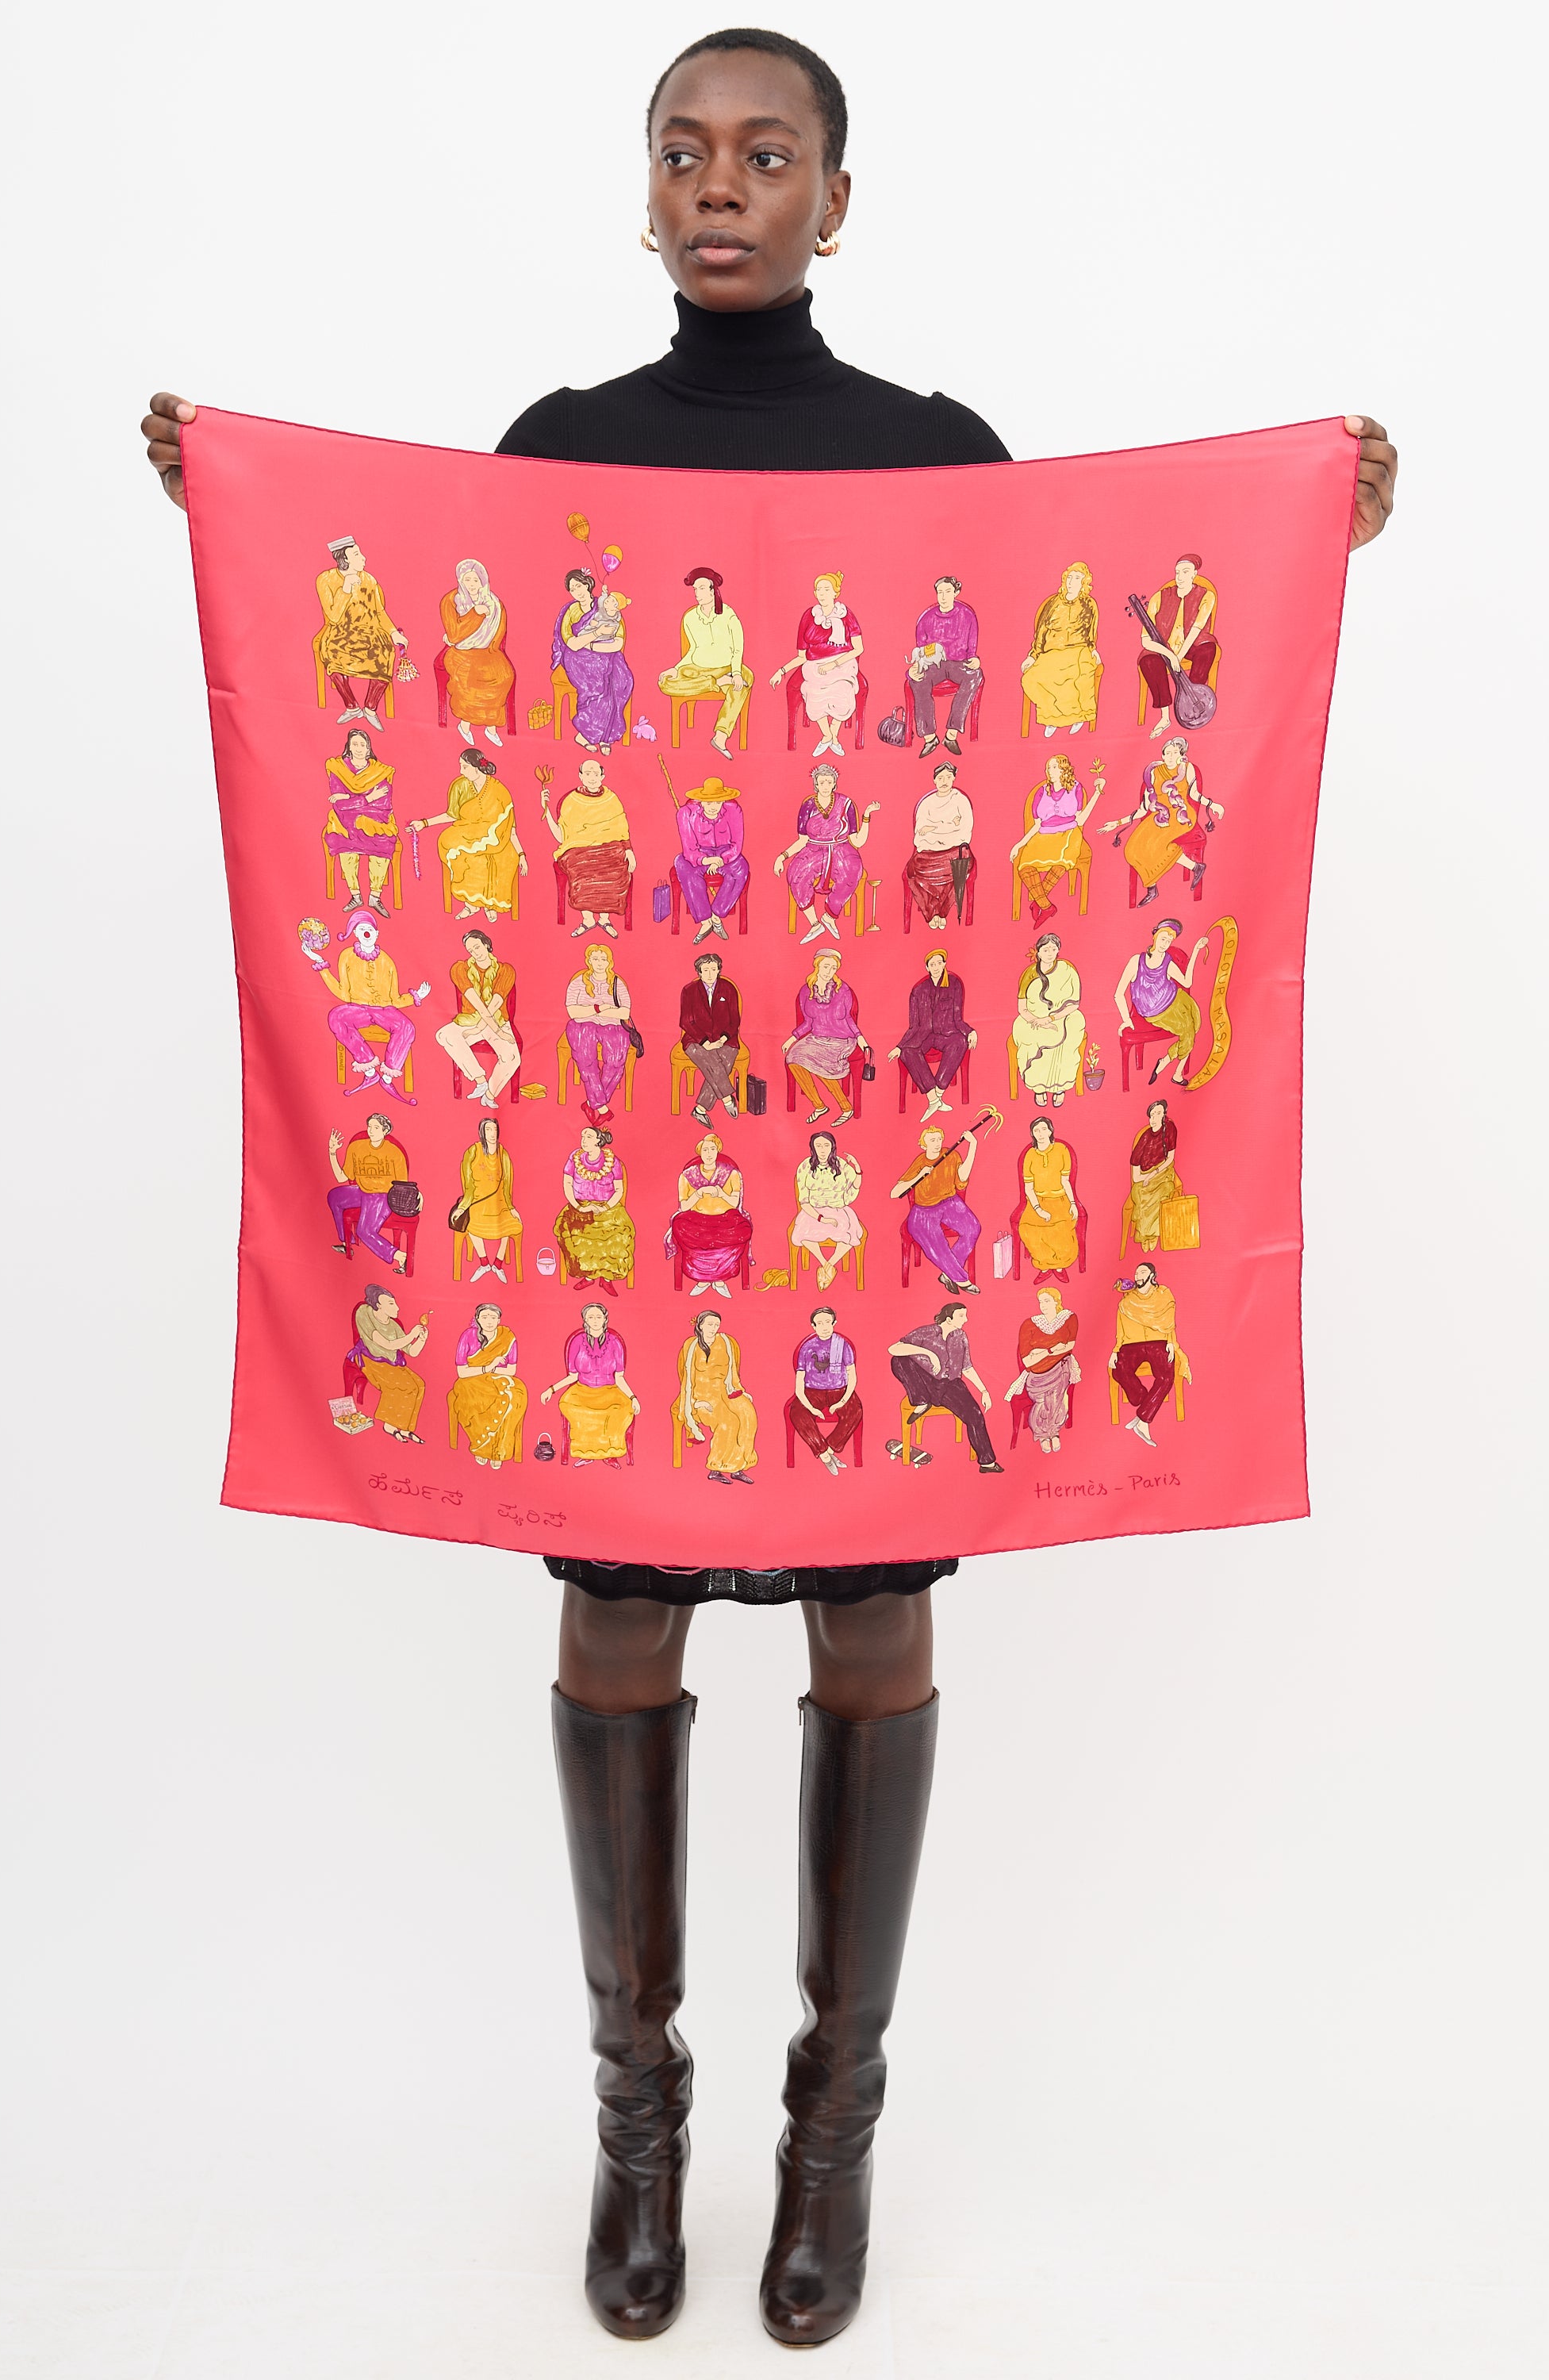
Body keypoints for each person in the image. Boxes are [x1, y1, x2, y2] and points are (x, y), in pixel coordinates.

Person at [142, 24, 1396, 2355]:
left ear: (835, 196)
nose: (720, 184)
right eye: (682, 151)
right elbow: (448, 712)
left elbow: (1058, 734)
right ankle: (638, 2109)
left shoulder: (936, 459)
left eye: (765, 152)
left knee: (873, 1617)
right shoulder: (558, 452)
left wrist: (1308, 522)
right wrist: (233, 499)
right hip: (616, 1130)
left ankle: (836, 2118)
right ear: (643, 194)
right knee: (613, 1618)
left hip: (886, 1124)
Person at [306, 908, 428, 1104]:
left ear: (377, 934)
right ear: (355, 932)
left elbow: (394, 999)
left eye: (370, 929)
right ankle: (369, 1070)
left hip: (384, 1010)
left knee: (407, 1027)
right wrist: (321, 964)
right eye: (362, 929)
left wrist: (415, 996)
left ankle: (387, 1077)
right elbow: (343, 993)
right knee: (336, 1016)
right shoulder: (346, 956)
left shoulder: (386, 961)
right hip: (357, 1009)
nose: (366, 932)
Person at [1099, 736, 1221, 903]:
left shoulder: (1188, 768)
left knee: (1156, 845)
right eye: (1167, 753)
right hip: (1160, 817)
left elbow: (1194, 795)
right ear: (1162, 756)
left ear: (1181, 755)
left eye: (1175, 753)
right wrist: (1117, 823)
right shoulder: (1154, 773)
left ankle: (1152, 888)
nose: (1170, 757)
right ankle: (1190, 869)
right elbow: (1144, 809)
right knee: (1131, 849)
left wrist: (1212, 805)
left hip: (1182, 816)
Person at [409, 750, 527, 922]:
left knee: (503, 858)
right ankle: (471, 905)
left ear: (477, 767)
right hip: (465, 834)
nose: (461, 771)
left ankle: (489, 904)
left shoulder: (500, 791)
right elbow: (451, 815)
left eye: (464, 767)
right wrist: (425, 823)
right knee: (461, 852)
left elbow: (510, 828)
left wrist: (521, 854)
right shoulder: (459, 786)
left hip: (497, 839)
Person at [886, 1300, 1003, 1472]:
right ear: (949, 1319)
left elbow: (967, 1367)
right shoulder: (926, 1332)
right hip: (926, 1383)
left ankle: (987, 1463)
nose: (966, 1319)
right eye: (961, 1316)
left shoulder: (961, 1336)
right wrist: (929, 1353)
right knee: (899, 1360)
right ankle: (921, 1401)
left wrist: (984, 1391)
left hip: (951, 1386)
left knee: (976, 1416)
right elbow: (894, 1349)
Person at [774, 761, 877, 940]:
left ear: (834, 783)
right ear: (816, 784)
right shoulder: (808, 806)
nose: (825, 786)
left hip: (842, 850)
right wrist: (782, 857)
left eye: (829, 782)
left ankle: (830, 917)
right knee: (797, 874)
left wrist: (867, 816)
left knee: (852, 871)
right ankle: (815, 924)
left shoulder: (846, 804)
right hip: (813, 850)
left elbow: (857, 841)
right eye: (822, 782)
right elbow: (802, 840)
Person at [312, 536, 407, 729]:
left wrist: (392, 632)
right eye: (357, 554)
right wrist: (345, 589)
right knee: (330, 652)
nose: (363, 558)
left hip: (370, 632)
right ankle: (352, 707)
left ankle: (371, 708)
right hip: (339, 633)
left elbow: (380, 612)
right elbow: (333, 617)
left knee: (385, 652)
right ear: (345, 559)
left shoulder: (369, 580)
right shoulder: (325, 579)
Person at [769, 569, 864, 755]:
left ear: (836, 593)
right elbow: (802, 655)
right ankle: (828, 737)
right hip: (814, 666)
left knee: (843, 690)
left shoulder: (846, 614)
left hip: (842, 663)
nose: (822, 593)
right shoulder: (809, 616)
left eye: (827, 589)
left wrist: (833, 664)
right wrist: (781, 671)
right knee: (812, 691)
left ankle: (833, 734)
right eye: (819, 590)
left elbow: (858, 648)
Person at [658, 567, 749, 751]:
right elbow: (693, 650)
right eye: (695, 589)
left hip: (727, 668)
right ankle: (715, 683)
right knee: (665, 682)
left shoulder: (729, 615)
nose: (697, 594)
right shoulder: (690, 618)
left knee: (745, 681)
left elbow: (738, 649)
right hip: (697, 669)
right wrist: (676, 668)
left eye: (701, 588)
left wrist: (737, 673)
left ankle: (720, 736)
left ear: (713, 589)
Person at [544, 754, 634, 935]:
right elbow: (562, 837)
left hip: (609, 848)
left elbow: (621, 827)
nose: (592, 778)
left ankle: (605, 919)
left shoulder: (611, 799)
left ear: (602, 776)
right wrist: (545, 810)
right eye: (587, 774)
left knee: (616, 868)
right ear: (581, 776)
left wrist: (629, 851)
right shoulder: (571, 801)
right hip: (579, 850)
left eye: (596, 774)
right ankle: (587, 920)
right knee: (583, 869)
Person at [1114, 917, 1210, 1087]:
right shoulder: (1136, 961)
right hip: (1156, 1013)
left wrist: (1196, 950)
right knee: (1189, 1030)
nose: (1165, 944)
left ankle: (1167, 1063)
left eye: (1169, 941)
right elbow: (1118, 994)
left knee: (1194, 1025)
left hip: (1176, 1000)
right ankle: (1173, 1070)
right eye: (1163, 938)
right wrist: (1126, 1020)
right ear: (1155, 936)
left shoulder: (1168, 962)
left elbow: (1187, 982)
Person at [1010, 754, 1102, 926]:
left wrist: (1097, 793)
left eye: (1054, 767)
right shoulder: (1041, 792)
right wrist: (1019, 844)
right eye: (1048, 768)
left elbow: (1080, 820)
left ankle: (1038, 903)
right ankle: (1046, 906)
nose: (1050, 771)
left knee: (1061, 863)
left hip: (1069, 833)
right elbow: (1037, 825)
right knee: (1025, 867)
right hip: (1043, 835)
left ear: (1063, 769)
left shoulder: (1076, 788)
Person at [893, 1120, 984, 1293]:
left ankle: (947, 1274)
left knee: (973, 1228)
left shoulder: (951, 1155)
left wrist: (973, 1145)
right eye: (932, 1140)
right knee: (937, 1243)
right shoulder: (920, 1162)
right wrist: (920, 1175)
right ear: (923, 1144)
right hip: (924, 1210)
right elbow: (895, 1192)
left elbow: (962, 1178)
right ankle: (961, 1279)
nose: (937, 1143)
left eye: (939, 1139)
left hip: (950, 1202)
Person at [542, 1303, 639, 1464]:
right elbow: (572, 1376)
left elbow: (619, 1377)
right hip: (582, 1391)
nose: (595, 1320)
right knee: (570, 1405)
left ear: (605, 1319)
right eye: (591, 1317)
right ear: (585, 1320)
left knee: (623, 1409)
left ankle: (609, 1455)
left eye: (598, 1317)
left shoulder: (615, 1342)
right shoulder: (577, 1342)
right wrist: (551, 1390)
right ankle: (586, 1454)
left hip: (610, 1391)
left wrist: (633, 1397)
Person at [782, 946, 867, 1124]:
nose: (830, 972)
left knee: (822, 1064)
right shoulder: (806, 991)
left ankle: (846, 1108)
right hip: (817, 1038)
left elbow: (849, 1018)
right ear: (817, 966)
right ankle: (819, 1106)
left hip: (842, 1040)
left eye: (833, 968)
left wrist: (860, 1038)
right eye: (826, 967)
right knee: (792, 1058)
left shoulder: (843, 990)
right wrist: (792, 1038)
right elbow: (808, 1022)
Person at [1137, 552, 1217, 739]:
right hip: (1165, 647)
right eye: (1177, 572)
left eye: (1185, 572)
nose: (1180, 577)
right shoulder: (1159, 597)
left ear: (1194, 573)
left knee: (1208, 650)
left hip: (1191, 644)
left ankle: (1193, 702)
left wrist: (1179, 657)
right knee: (1148, 661)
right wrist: (1170, 655)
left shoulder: (1207, 596)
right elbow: (1145, 640)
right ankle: (1165, 717)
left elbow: (1197, 629)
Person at [435, 928, 519, 1109]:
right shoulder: (460, 969)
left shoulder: (506, 970)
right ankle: (480, 1080)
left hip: (497, 1021)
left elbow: (494, 1005)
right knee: (444, 1035)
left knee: (512, 1057)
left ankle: (489, 1094)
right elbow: (478, 1005)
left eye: (477, 947)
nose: (475, 952)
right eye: (470, 950)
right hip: (470, 1020)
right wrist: (479, 1028)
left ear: (486, 944)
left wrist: (491, 1030)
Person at [1110, 1260, 1191, 1445]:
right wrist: (1115, 1350)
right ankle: (1142, 1399)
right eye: (1137, 1273)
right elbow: (1120, 1327)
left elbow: (1169, 1320)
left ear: (1152, 1276)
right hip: (1132, 1343)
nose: (1138, 1276)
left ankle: (1143, 1421)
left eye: (1143, 1272)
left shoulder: (1164, 1294)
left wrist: (1170, 1342)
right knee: (1118, 1369)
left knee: (1166, 1376)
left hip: (1158, 1341)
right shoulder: (1127, 1300)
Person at [890, 948, 974, 1121]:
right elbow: (914, 1025)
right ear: (927, 968)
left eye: (939, 963)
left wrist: (970, 1031)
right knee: (907, 1052)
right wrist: (899, 1046)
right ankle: (934, 1099)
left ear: (944, 964)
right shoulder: (918, 990)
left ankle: (938, 1093)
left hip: (947, 1033)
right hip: (924, 1035)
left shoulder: (954, 983)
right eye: (932, 964)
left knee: (960, 1042)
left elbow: (958, 1018)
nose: (936, 967)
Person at [437, 559, 513, 747]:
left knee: (504, 675)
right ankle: (464, 726)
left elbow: (498, 633)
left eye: (476, 580)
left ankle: (491, 728)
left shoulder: (495, 603)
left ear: (483, 581)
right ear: (460, 580)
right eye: (467, 580)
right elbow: (455, 635)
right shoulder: (451, 601)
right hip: (461, 653)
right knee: (471, 679)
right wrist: (475, 614)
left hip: (488, 651)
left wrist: (488, 647)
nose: (472, 584)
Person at [555, 573, 635, 752]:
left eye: (579, 586)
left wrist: (594, 645)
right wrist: (596, 635)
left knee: (622, 681)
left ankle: (606, 738)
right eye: (572, 589)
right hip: (578, 659)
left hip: (607, 654)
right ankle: (585, 735)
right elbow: (573, 644)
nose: (577, 591)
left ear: (587, 585)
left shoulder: (606, 606)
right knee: (598, 684)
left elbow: (618, 642)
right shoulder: (571, 611)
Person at [323, 728, 399, 915]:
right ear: (348, 747)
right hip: (345, 819)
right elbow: (339, 805)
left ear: (368, 749)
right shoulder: (338, 768)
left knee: (383, 841)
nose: (358, 748)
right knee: (345, 844)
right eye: (354, 744)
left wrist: (349, 797)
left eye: (362, 745)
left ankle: (375, 896)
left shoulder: (380, 771)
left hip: (375, 817)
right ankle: (355, 895)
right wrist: (367, 798)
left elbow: (384, 802)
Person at [1021, 560, 1101, 735]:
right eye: (1069, 577)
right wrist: (1033, 656)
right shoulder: (1053, 604)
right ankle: (1051, 716)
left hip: (1078, 651)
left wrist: (1093, 649)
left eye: (1077, 578)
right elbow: (1041, 632)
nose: (1072, 581)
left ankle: (1077, 716)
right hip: (1051, 653)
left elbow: (1091, 633)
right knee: (1030, 679)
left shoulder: (1089, 604)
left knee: (1077, 675)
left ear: (1084, 582)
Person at [677, 1310, 757, 1484]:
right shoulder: (692, 1346)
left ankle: (738, 1467)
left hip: (726, 1391)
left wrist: (740, 1390)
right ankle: (716, 1468)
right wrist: (695, 1403)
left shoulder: (725, 1341)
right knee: (729, 1423)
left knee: (748, 1416)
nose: (714, 1328)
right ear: (700, 1326)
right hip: (702, 1396)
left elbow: (733, 1372)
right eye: (710, 1324)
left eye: (716, 1325)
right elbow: (687, 1381)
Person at [669, 1127, 751, 1298]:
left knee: (745, 1229)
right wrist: (698, 1194)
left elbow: (735, 1203)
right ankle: (703, 1279)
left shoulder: (731, 1174)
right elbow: (684, 1207)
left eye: (712, 1149)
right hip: (696, 1222)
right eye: (705, 1150)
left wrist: (721, 1193)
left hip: (726, 1221)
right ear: (700, 1152)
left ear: (718, 1150)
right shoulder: (687, 1176)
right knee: (678, 1224)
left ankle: (719, 1279)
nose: (709, 1153)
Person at [907, 574, 982, 757]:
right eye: (940, 592)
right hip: (935, 665)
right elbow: (921, 652)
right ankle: (929, 737)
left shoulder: (967, 615)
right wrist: (914, 670)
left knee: (976, 674)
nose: (943, 596)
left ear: (956, 592)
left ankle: (952, 734)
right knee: (917, 679)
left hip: (959, 663)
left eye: (948, 591)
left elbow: (971, 648)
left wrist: (974, 659)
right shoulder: (926, 618)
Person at [554, 1125, 635, 1295]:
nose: (584, 1140)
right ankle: (589, 1276)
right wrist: (579, 1206)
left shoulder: (613, 1161)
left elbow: (619, 1190)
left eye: (589, 1137)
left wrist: (604, 1207)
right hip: (579, 1208)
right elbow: (567, 1184)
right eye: (583, 1136)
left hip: (609, 1209)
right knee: (577, 1236)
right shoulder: (574, 1158)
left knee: (617, 1237)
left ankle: (607, 1279)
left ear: (599, 1140)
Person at [326, 1112, 408, 1271]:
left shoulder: (394, 1153)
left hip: (382, 1196)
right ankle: (347, 1242)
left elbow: (401, 1186)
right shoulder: (357, 1147)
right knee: (334, 1196)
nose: (371, 1130)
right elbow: (341, 1177)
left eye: (376, 1127)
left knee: (364, 1231)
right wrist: (332, 1152)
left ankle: (400, 1257)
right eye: (369, 1126)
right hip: (361, 1191)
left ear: (385, 1131)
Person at [1011, 931, 1086, 1106]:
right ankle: (1038, 1088)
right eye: (1045, 950)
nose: (1050, 953)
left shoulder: (1068, 971)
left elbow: (1074, 1004)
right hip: (1033, 1020)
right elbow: (1022, 1008)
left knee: (1071, 1033)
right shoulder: (1030, 974)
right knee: (1030, 1038)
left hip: (1063, 1017)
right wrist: (1038, 1021)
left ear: (1058, 950)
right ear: (1038, 952)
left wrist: (1051, 1019)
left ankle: (1060, 1087)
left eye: (1053, 949)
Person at [448, 1303, 527, 1467]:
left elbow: (511, 1370)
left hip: (497, 1379)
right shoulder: (468, 1336)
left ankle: (500, 1450)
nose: (489, 1321)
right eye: (484, 1317)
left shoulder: (507, 1337)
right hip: (469, 1381)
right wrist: (488, 1367)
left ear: (499, 1320)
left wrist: (493, 1370)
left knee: (514, 1398)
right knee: (476, 1402)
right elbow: (462, 1372)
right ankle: (481, 1447)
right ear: (477, 1319)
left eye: (493, 1317)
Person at [672, 775, 748, 942]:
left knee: (741, 867)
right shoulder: (685, 813)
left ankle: (716, 916)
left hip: (726, 854)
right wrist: (706, 861)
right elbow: (689, 849)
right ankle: (705, 921)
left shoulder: (734, 810)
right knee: (681, 864)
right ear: (701, 801)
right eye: (709, 803)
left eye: (718, 802)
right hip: (699, 855)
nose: (713, 807)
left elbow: (737, 845)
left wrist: (721, 860)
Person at [1004, 1284, 1079, 1453]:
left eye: (1047, 1301)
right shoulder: (1029, 1324)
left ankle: (1046, 1433)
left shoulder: (1069, 1318)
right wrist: (1051, 1350)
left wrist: (1039, 1352)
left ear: (1057, 1301)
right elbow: (1028, 1361)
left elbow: (1070, 1346)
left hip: (1061, 1367)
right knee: (1046, 1398)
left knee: (1056, 1391)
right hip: (1036, 1374)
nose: (1043, 1305)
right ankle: (1049, 1432)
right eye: (1040, 1301)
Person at [564, 942, 634, 1125]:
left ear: (610, 962)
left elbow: (625, 1013)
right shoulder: (578, 982)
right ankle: (602, 1108)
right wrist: (600, 1008)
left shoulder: (617, 983)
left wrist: (594, 1010)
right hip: (582, 1025)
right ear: (589, 961)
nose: (600, 963)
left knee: (616, 1062)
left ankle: (592, 1104)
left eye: (604, 959)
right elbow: (572, 1011)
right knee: (587, 1061)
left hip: (613, 1026)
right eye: (595, 959)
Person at [351, 1281, 428, 1441]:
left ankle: (406, 1428)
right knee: (403, 1385)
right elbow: (386, 1344)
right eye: (391, 1304)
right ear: (379, 1305)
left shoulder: (394, 1326)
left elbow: (412, 1352)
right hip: (371, 1360)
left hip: (391, 1363)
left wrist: (421, 1339)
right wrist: (411, 1335)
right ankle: (390, 1425)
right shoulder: (364, 1313)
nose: (397, 1308)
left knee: (419, 1384)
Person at [788, 1306, 862, 1474]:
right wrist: (811, 1408)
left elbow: (852, 1376)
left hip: (839, 1389)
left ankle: (829, 1448)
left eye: (828, 1322)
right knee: (797, 1412)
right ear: (813, 1326)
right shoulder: (807, 1347)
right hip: (812, 1391)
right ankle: (826, 1456)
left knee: (855, 1410)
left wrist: (842, 1402)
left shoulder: (842, 1345)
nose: (824, 1327)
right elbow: (799, 1382)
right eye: (820, 1323)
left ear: (834, 1323)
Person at [904, 760, 975, 928]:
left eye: (948, 777)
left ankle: (940, 912)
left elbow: (965, 834)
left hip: (956, 851)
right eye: (941, 778)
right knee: (913, 872)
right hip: (928, 854)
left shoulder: (960, 801)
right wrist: (951, 826)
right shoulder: (927, 803)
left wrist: (934, 828)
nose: (944, 781)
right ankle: (933, 912)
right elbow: (919, 836)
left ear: (954, 779)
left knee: (959, 867)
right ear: (934, 780)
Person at [791, 1130, 864, 1289]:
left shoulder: (842, 1165)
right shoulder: (805, 1167)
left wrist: (857, 1168)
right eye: (818, 1146)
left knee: (850, 1234)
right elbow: (804, 1201)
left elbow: (854, 1188)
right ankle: (827, 1266)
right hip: (813, 1211)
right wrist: (822, 1219)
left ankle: (828, 1266)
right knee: (802, 1232)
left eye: (826, 1145)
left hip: (838, 1210)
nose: (822, 1150)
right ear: (813, 1148)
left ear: (832, 1147)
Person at [452, 1115, 520, 1284]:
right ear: (482, 1132)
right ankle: (484, 1263)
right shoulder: (473, 1152)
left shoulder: (503, 1154)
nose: (492, 1133)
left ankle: (498, 1264)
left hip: (500, 1202)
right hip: (477, 1200)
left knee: (510, 1224)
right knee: (472, 1224)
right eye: (488, 1129)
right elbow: (468, 1183)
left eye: (495, 1129)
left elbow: (508, 1183)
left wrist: (511, 1207)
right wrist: (463, 1206)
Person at [677, 950, 743, 1123]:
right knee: (715, 1063)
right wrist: (705, 1042)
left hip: (726, 1039)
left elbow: (735, 1019)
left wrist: (723, 1038)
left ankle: (700, 1109)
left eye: (713, 969)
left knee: (723, 1061)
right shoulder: (689, 991)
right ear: (699, 972)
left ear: (719, 970)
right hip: (696, 1040)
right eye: (705, 970)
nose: (710, 974)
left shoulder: (728, 989)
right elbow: (686, 1021)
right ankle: (727, 1099)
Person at [1014, 1115, 1079, 1281]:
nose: (1040, 1134)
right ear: (1032, 1134)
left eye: (1044, 1129)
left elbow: (1065, 1181)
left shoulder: (1062, 1150)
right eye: (1036, 1130)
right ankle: (1044, 1267)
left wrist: (1073, 1203)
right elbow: (1029, 1188)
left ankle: (1059, 1266)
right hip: (1037, 1201)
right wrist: (1039, 1210)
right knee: (1027, 1229)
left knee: (1061, 1231)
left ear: (1050, 1131)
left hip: (1060, 1200)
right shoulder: (1030, 1155)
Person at [1127, 1097, 1183, 1251]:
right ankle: (1145, 1235)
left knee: (1164, 1192)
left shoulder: (1170, 1129)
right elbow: (1136, 1176)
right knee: (1141, 1196)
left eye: (1158, 1113)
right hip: (1144, 1178)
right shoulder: (1145, 1138)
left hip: (1163, 1173)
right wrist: (1147, 1177)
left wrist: (1153, 1175)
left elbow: (1170, 1159)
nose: (1154, 1118)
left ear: (1164, 1115)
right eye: (1152, 1115)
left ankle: (1153, 1235)